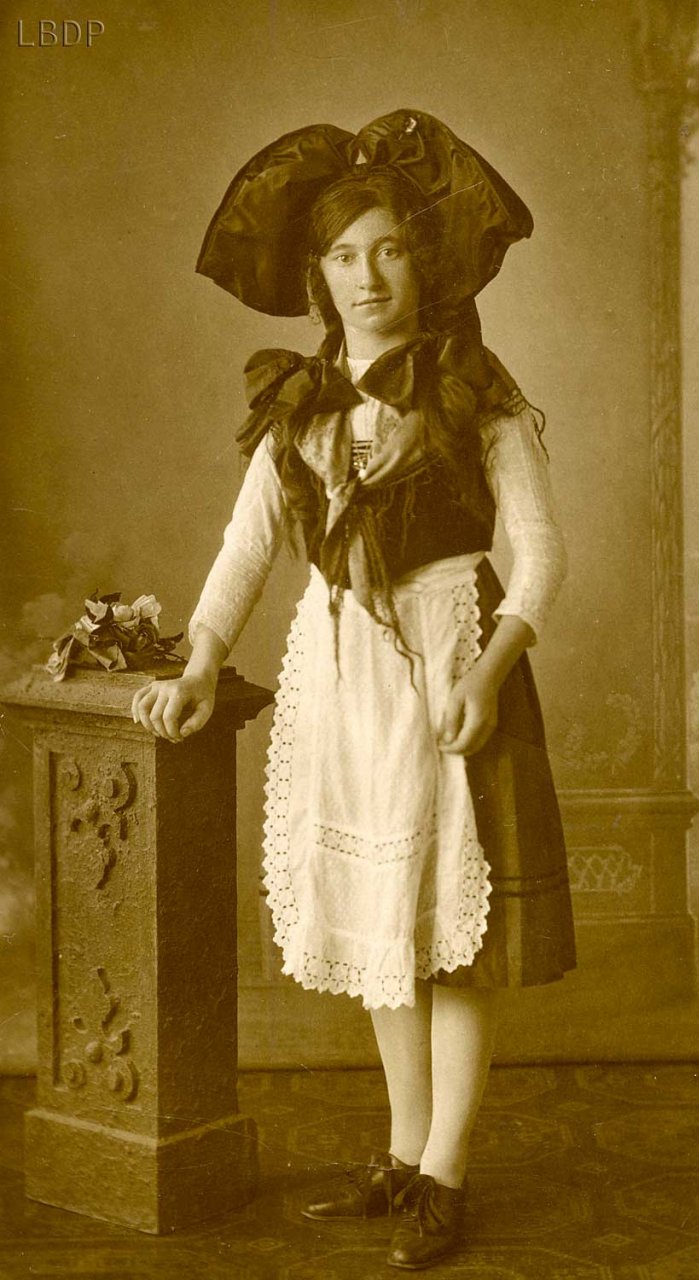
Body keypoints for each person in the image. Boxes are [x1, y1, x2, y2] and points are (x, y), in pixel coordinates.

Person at [131, 109, 576, 1271]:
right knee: (388, 919)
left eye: (388, 250)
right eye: (343, 256)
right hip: (343, 680)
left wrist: (488, 668)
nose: (368, 276)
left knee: (453, 936)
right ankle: (402, 1152)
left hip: (453, 664)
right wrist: (198, 658)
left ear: (421, 260)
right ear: (317, 275)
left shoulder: (473, 389)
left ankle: (447, 1172)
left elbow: (540, 554)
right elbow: (247, 546)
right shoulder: (303, 399)